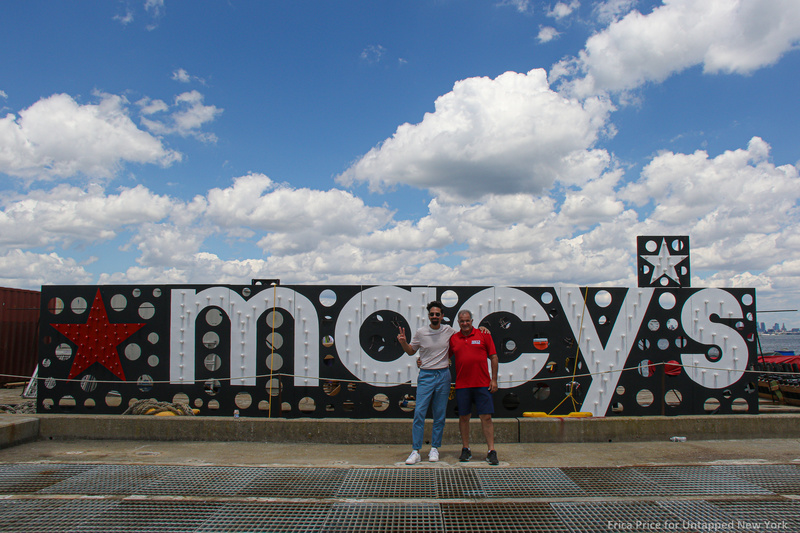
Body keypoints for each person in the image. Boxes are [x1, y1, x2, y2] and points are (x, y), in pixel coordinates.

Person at [397, 301, 454, 465]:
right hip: (426, 375)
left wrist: (484, 330)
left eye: (437, 314)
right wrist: (402, 342)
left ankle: (435, 448)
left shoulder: (449, 331)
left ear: (442, 316)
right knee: (419, 413)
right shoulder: (421, 332)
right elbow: (411, 351)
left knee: (439, 415)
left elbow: (465, 336)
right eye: (432, 314)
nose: (435, 316)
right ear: (428, 316)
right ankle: (416, 451)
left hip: (443, 375)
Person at [449, 309, 500, 465]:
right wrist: (421, 361)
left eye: (467, 320)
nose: (465, 323)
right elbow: (442, 356)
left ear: (472, 321)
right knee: (464, 418)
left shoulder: (484, 335)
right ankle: (466, 448)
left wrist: (494, 380)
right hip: (463, 385)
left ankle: (491, 450)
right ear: (458, 323)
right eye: (462, 321)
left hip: (482, 384)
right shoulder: (454, 339)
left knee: (486, 417)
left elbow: (494, 357)